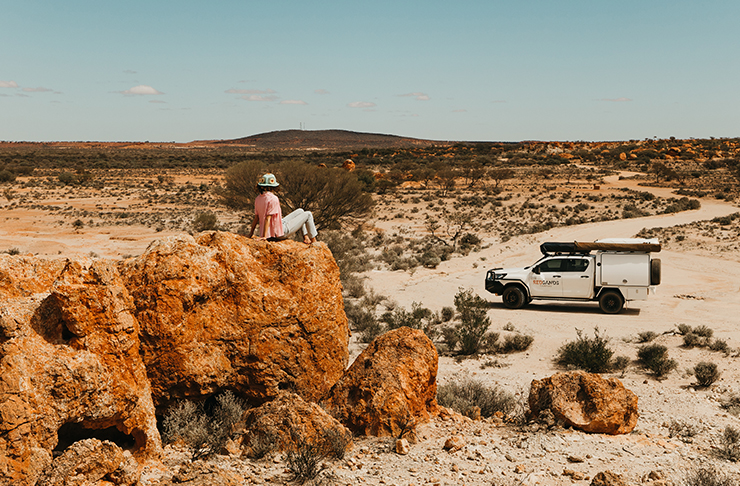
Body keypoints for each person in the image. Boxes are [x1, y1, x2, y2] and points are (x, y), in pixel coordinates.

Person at [248, 173, 318, 244]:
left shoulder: (258, 198)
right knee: (308, 214)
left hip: (277, 225)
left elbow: (256, 218)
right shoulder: (273, 199)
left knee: (300, 211)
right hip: (279, 233)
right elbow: (267, 218)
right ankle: (314, 241)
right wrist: (264, 237)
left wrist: (250, 233)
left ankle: (305, 237)